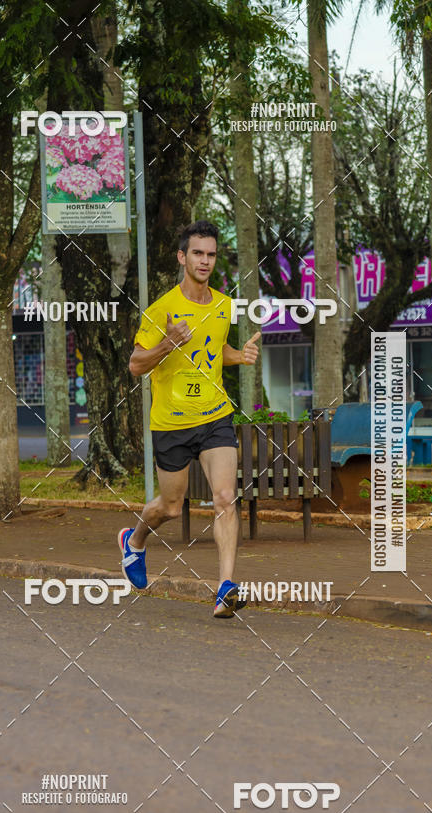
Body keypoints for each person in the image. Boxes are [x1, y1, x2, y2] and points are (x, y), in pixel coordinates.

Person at [118, 220, 260, 618]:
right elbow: (135, 365)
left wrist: (240, 356)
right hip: (171, 422)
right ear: (182, 257)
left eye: (211, 254)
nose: (205, 261)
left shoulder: (223, 305)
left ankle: (225, 587)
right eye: (197, 253)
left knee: (224, 499)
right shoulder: (160, 310)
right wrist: (168, 342)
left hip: (215, 417)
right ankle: (135, 540)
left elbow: (218, 349)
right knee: (170, 505)